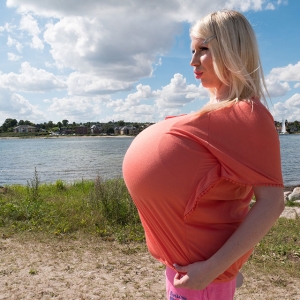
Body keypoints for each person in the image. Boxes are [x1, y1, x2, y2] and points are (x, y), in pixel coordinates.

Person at [122, 10, 284, 300]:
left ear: (231, 51)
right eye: (192, 51)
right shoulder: (218, 112)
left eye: (204, 49)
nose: (193, 61)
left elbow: (271, 202)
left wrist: (213, 270)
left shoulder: (249, 114)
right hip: (188, 271)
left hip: (201, 277)